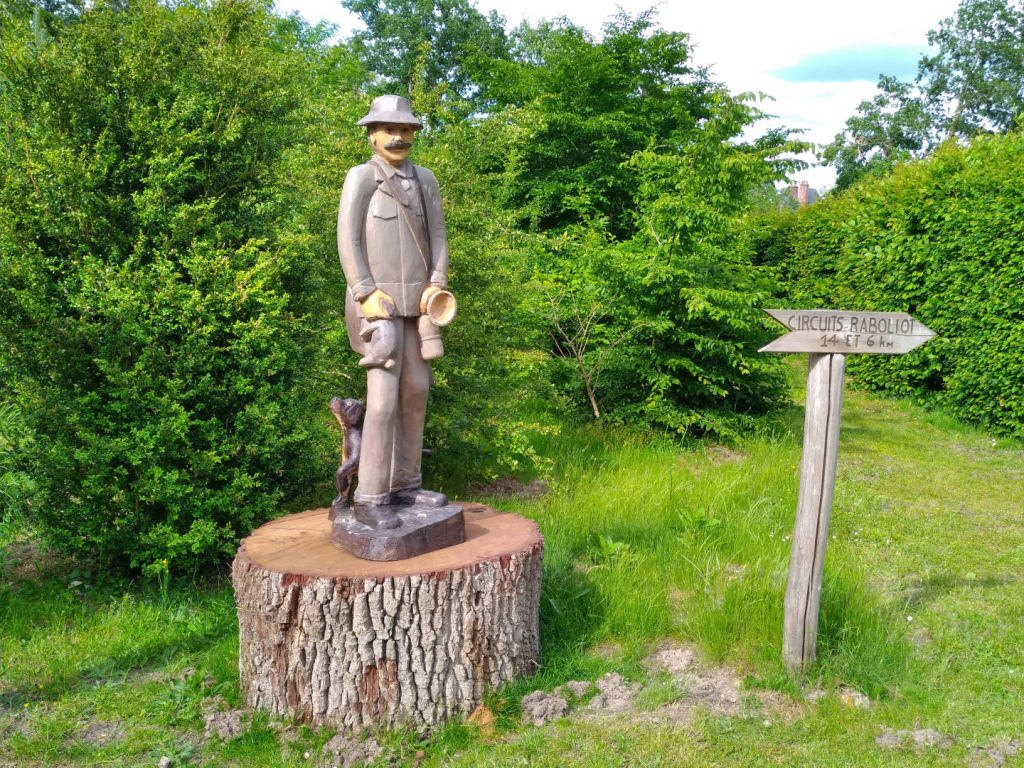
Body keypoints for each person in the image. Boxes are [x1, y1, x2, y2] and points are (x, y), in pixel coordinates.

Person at [337, 95, 451, 527]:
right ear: (371, 133)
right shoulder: (361, 177)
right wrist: (365, 292)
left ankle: (406, 484)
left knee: (416, 392)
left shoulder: (426, 179)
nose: (398, 137)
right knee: (382, 401)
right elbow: (348, 239)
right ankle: (369, 498)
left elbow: (438, 236)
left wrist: (437, 284)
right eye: (389, 129)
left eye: (405, 129)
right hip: (379, 306)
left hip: (419, 305)